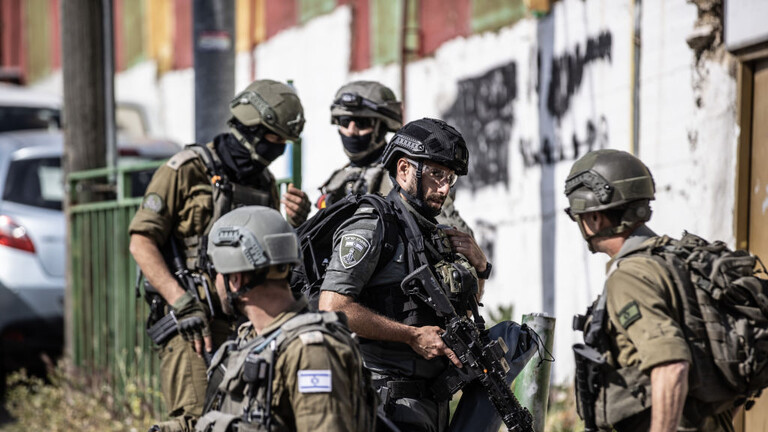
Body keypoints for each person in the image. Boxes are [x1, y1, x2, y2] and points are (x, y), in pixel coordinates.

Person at [318, 118, 534, 432]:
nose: (444, 188)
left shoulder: (434, 234)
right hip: (384, 405)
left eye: (450, 178)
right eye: (436, 174)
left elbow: (459, 313)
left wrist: (481, 268)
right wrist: (411, 335)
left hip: (431, 405)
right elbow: (332, 307)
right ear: (404, 169)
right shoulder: (373, 225)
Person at [129, 79, 312, 431]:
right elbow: (141, 241)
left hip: (246, 322)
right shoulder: (186, 169)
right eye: (274, 138)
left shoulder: (264, 183)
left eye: (285, 142)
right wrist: (182, 303)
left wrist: (294, 223)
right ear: (250, 128)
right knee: (198, 420)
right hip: (193, 323)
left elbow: (268, 255)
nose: (278, 149)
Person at [565, 149, 734, 431]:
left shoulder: (630, 277)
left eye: (577, 215)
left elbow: (671, 366)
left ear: (594, 218)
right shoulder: (678, 262)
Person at [195, 206, 376, 432]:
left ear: (236, 279)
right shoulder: (251, 338)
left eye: (217, 272)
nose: (215, 283)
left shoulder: (311, 352)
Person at [318, 81, 473, 234]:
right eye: (345, 122)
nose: (351, 131)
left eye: (362, 123)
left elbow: (455, 234)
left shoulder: (405, 174)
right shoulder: (337, 180)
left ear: (382, 126)